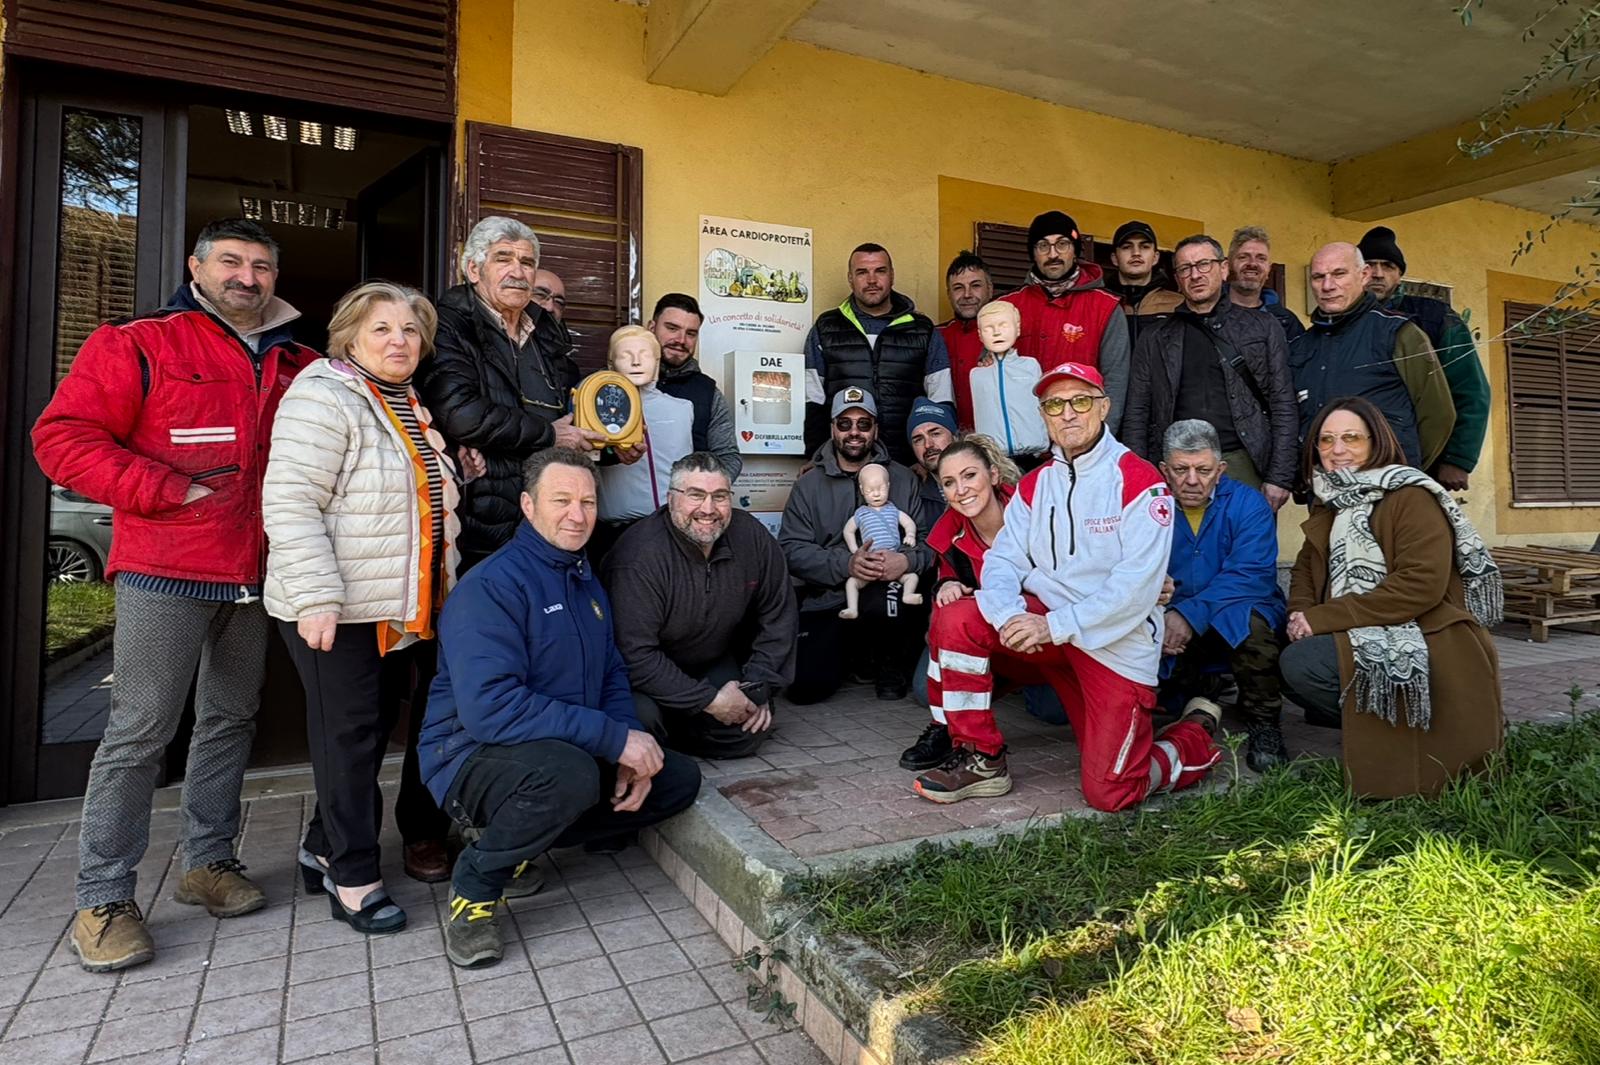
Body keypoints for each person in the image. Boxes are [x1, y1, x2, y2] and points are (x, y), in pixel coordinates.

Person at [32, 218, 316, 971]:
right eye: (231, 261)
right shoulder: (138, 342)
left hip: (255, 573)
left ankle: (207, 862)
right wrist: (167, 488)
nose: (247, 277)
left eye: (260, 265)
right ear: (196, 266)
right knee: (142, 725)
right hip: (166, 565)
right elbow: (61, 436)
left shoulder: (301, 362)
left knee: (230, 717)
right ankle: (103, 898)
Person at [419, 448, 702, 969]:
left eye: (589, 502)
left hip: (553, 749)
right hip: (469, 756)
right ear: (528, 506)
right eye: (562, 500)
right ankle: (477, 885)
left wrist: (626, 743)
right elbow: (491, 710)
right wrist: (612, 740)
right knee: (570, 776)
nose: (578, 514)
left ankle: (515, 842)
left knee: (677, 777)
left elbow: (612, 671)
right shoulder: (492, 587)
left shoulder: (582, 574)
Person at [915, 363, 1221, 809]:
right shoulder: (1034, 486)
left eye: (1080, 401)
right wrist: (1007, 615)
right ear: (1043, 415)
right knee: (957, 615)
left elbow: (1135, 589)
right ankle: (982, 757)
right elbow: (1002, 559)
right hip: (1050, 637)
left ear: (1104, 407)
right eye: (1054, 404)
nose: (1068, 414)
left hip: (1112, 645)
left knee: (1112, 792)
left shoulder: (1140, 482)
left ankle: (1193, 733)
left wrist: (1051, 626)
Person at [263, 282, 459, 933]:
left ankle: (321, 846)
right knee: (347, 740)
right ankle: (354, 876)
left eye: (410, 330)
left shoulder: (403, 402)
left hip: (392, 607)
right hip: (335, 607)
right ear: (349, 336)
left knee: (367, 731)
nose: (400, 341)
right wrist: (316, 595)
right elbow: (290, 501)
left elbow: (409, 505)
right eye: (383, 329)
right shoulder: (324, 395)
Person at [1281, 397, 1504, 798]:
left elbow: (1420, 586)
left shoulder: (1410, 495)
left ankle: (1415, 736)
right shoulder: (1331, 499)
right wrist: (1300, 611)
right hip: (1363, 626)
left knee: (1304, 663)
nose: (1338, 450)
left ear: (1375, 441)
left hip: (1428, 633)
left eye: (1351, 438)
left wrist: (1323, 619)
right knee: (1277, 654)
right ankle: (1378, 729)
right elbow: (1304, 567)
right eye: (1326, 440)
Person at [418, 216, 597, 573]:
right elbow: (462, 414)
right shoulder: (448, 326)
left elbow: (572, 415)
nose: (518, 271)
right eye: (503, 258)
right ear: (473, 269)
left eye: (527, 262)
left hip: (552, 518)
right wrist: (550, 434)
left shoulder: (548, 333)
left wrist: (609, 444)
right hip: (481, 523)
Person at [603, 452, 796, 758]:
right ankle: (676, 726)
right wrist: (709, 701)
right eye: (695, 495)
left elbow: (779, 613)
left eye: (719, 496)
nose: (708, 509)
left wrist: (759, 686)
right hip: (645, 675)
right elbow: (634, 654)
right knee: (642, 722)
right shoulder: (638, 556)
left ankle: (680, 731)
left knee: (745, 730)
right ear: (670, 498)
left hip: (708, 660)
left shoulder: (752, 537)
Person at [782, 386, 935, 702]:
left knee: (891, 599)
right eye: (845, 423)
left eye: (864, 424)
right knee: (805, 689)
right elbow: (791, 548)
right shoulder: (809, 483)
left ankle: (887, 663)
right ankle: (849, 659)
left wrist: (905, 561)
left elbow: (925, 541)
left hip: (885, 585)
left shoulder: (902, 479)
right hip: (828, 591)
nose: (854, 432)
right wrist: (845, 564)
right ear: (832, 428)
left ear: (876, 429)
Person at [1123, 234, 1297, 510]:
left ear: (1224, 268)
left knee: (1245, 550)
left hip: (1244, 461)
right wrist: (1140, 475)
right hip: (1176, 466)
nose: (1195, 275)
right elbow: (1137, 410)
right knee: (1180, 551)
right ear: (1177, 278)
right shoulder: (1156, 337)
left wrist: (1280, 475)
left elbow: (1283, 402)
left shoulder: (1263, 327)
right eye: (1185, 268)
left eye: (1204, 264)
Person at [1156, 419, 1289, 772]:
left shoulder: (1249, 504)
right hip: (1172, 615)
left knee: (1250, 622)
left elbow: (1250, 575)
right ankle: (1205, 689)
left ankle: (1264, 723)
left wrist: (1189, 614)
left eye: (1203, 470)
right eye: (1181, 470)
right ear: (1165, 470)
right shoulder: (1148, 506)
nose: (1192, 480)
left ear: (1221, 470)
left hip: (1234, 609)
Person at [1290, 242, 1455, 473]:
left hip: (1388, 487)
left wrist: (1403, 466)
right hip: (1325, 488)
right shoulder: (1301, 346)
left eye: (1339, 274)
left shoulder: (1399, 334)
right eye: (1318, 277)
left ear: (1364, 275)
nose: (1328, 285)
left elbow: (1438, 415)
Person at [1356, 225, 1490, 490]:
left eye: (1388, 266)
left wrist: (1458, 458)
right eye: (1370, 264)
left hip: (1421, 462)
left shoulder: (1434, 318)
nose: (1378, 273)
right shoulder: (1340, 321)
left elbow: (1471, 390)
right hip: (1355, 462)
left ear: (1399, 275)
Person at [802, 243, 954, 465]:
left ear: (892, 276)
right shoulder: (826, 328)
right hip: (843, 463)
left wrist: (934, 463)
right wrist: (816, 458)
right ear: (850, 278)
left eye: (880, 271)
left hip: (908, 464)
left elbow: (941, 401)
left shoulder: (923, 329)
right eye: (862, 272)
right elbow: (812, 399)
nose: (872, 280)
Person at [1000, 210, 1130, 432]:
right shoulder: (1007, 306)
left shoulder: (1106, 307)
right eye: (1043, 246)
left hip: (1081, 437)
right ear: (1033, 253)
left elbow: (1115, 381)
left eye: (1062, 244)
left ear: (1075, 250)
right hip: (1020, 440)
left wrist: (1100, 439)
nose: (1053, 254)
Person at [592, 326, 696, 561]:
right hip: (614, 533)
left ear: (657, 362)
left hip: (672, 528)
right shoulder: (594, 405)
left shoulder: (682, 408)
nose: (636, 362)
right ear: (611, 364)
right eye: (626, 355)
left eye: (645, 354)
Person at [646, 293, 743, 482]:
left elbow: (729, 457)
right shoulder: (615, 384)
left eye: (691, 333)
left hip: (685, 509)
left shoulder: (708, 393)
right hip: (619, 509)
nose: (681, 340)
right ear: (652, 328)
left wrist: (702, 492)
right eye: (672, 328)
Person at [966, 300, 1051, 467]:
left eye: (1003, 325)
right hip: (995, 458)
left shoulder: (1030, 366)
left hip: (1033, 455)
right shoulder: (977, 375)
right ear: (980, 335)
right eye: (988, 328)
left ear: (1018, 328)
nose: (996, 332)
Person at [937, 250, 995, 431]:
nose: (967, 294)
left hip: (998, 443)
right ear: (949, 293)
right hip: (949, 442)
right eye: (958, 288)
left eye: (975, 285)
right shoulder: (936, 336)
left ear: (990, 289)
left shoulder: (1006, 336)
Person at [1104, 220, 1183, 345]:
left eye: (1144, 247)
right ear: (1114, 258)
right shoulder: (1101, 303)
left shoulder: (1179, 304)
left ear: (1155, 257)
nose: (1136, 253)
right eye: (1126, 247)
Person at [1226, 226, 1304, 342]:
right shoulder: (1208, 312)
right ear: (1229, 266)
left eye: (1261, 258)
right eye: (1243, 257)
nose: (1252, 264)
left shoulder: (1287, 322)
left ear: (1268, 270)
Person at [907, 396, 959, 513]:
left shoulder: (983, 478)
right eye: (918, 439)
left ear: (954, 436)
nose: (928, 445)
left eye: (935, 434)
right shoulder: (915, 498)